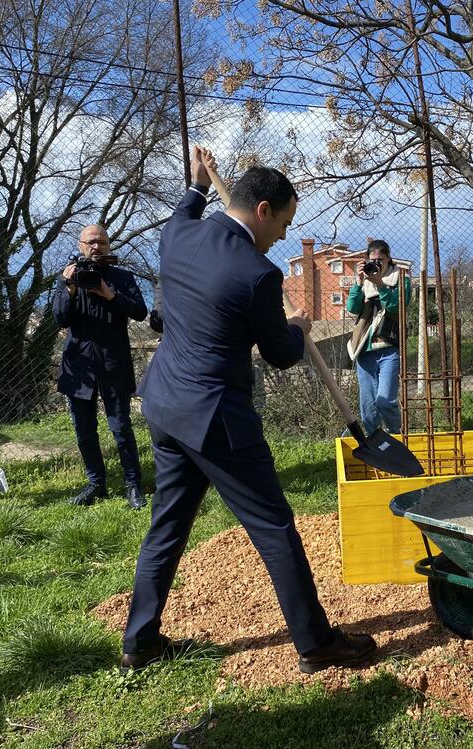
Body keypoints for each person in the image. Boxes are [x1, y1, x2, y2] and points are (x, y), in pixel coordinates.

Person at [121, 146, 376, 674]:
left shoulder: (177, 235)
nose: (283, 235)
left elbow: (187, 207)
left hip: (165, 405)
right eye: (283, 223)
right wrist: (299, 327)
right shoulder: (257, 274)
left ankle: (139, 641)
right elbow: (281, 354)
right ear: (263, 210)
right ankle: (316, 643)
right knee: (274, 528)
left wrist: (197, 183)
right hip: (216, 416)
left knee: (167, 525)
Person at [54, 224, 148, 509]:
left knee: (121, 428)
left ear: (108, 246)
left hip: (113, 362)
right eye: (91, 242)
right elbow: (60, 318)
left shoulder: (121, 277)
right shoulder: (68, 276)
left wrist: (110, 295)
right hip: (79, 366)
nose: (96, 246)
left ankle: (133, 484)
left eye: (102, 242)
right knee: (84, 430)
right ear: (81, 245)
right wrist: (70, 288)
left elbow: (140, 311)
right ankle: (96, 484)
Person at [345, 239, 412, 436]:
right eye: (372, 260)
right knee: (368, 407)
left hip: (389, 348)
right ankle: (375, 443)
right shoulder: (364, 281)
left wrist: (380, 285)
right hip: (364, 349)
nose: (376, 264)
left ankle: (396, 437)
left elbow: (396, 307)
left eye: (380, 260)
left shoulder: (401, 279)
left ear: (389, 258)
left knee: (385, 401)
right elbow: (352, 308)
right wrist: (358, 283)